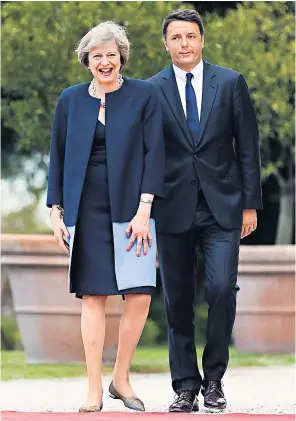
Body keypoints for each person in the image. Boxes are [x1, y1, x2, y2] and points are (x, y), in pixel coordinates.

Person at [46, 21, 164, 413]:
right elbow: (58, 156)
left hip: (134, 209)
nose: (105, 62)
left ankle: (122, 377)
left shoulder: (144, 96)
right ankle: (94, 388)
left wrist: (145, 209)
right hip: (86, 208)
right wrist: (55, 208)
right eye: (97, 56)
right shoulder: (70, 100)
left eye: (111, 55)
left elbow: (154, 154)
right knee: (93, 294)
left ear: (121, 57)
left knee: (139, 291)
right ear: (87, 61)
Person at [148, 9, 262, 413]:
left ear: (201, 39)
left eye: (191, 36)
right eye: (176, 37)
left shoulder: (230, 82)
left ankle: (214, 380)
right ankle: (184, 387)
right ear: (166, 44)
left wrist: (251, 203)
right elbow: (148, 154)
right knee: (177, 300)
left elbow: (247, 146)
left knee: (220, 290)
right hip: (172, 207)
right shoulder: (151, 89)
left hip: (223, 207)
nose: (184, 44)